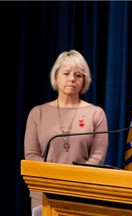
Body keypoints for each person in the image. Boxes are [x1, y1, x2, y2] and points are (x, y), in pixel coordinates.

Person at [24, 50, 108, 214]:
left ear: (84, 81)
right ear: (55, 77)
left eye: (78, 75)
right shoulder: (37, 113)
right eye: (66, 73)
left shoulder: (96, 113)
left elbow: (97, 158)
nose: (72, 79)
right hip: (44, 192)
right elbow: (32, 156)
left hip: (82, 193)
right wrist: (58, 179)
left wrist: (70, 181)